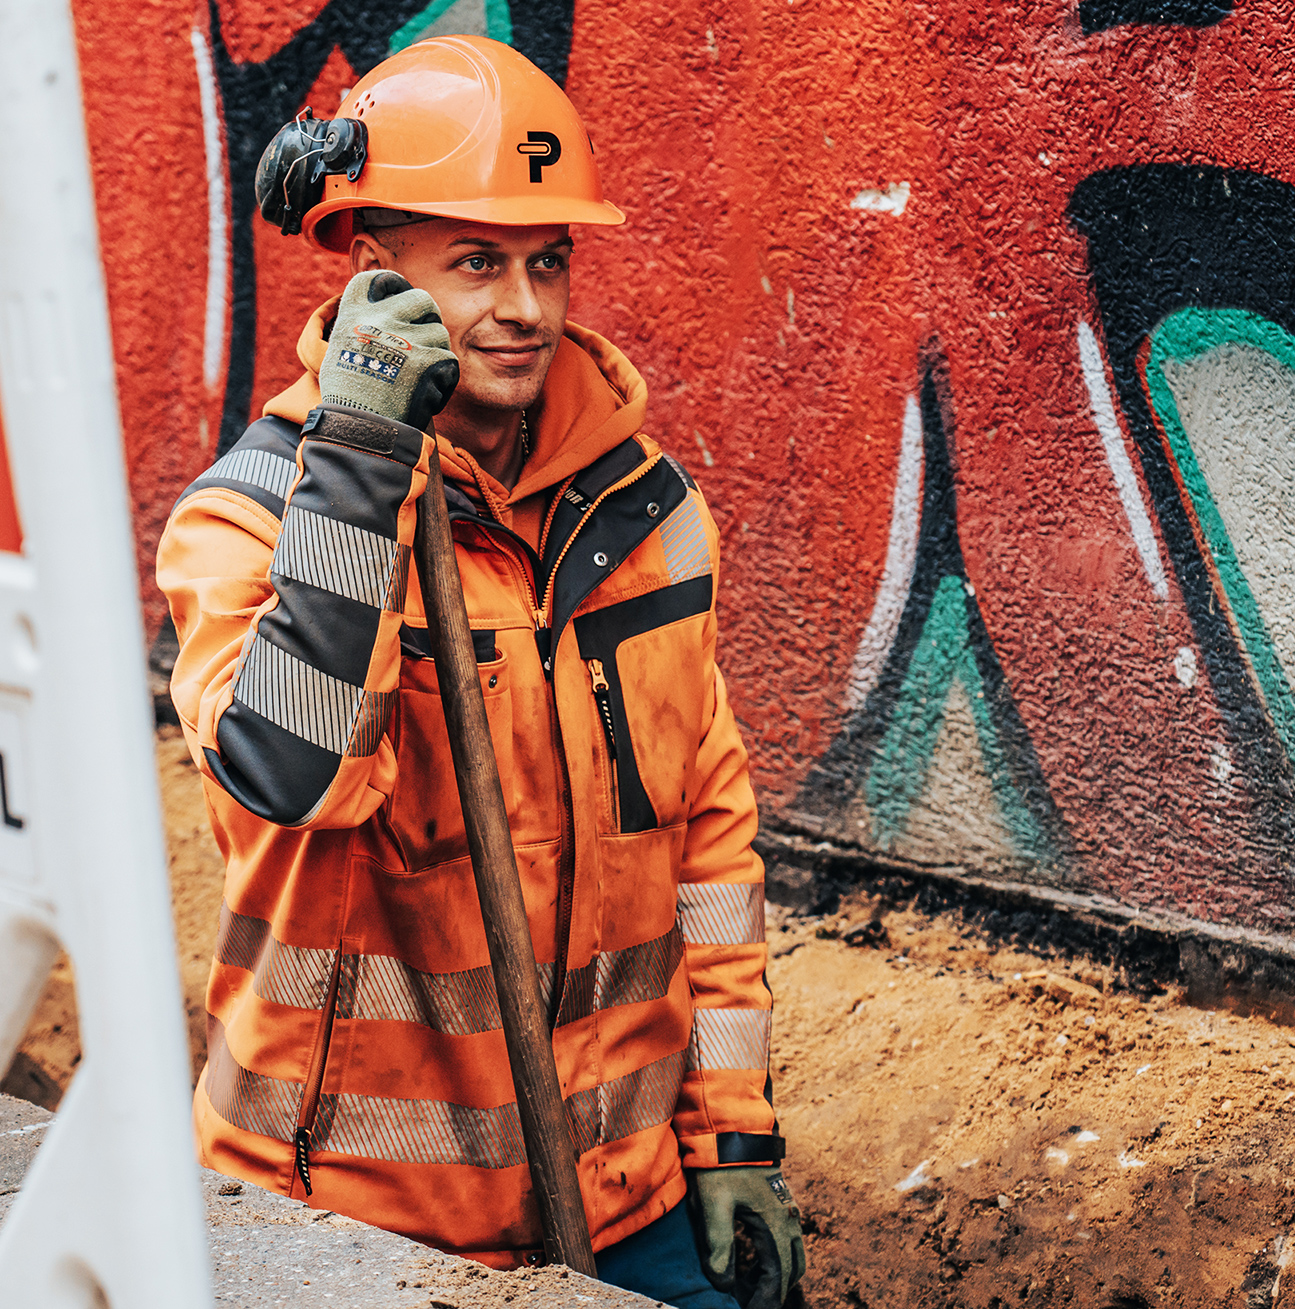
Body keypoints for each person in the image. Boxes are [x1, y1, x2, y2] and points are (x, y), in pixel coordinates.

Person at [157, 34, 802, 1309]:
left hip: (626, 1202)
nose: (523, 308)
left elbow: (707, 851)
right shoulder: (252, 517)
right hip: (341, 1217)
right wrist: (356, 459)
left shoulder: (645, 514)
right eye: (475, 264)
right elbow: (291, 775)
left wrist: (731, 1133)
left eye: (546, 261)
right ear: (372, 274)